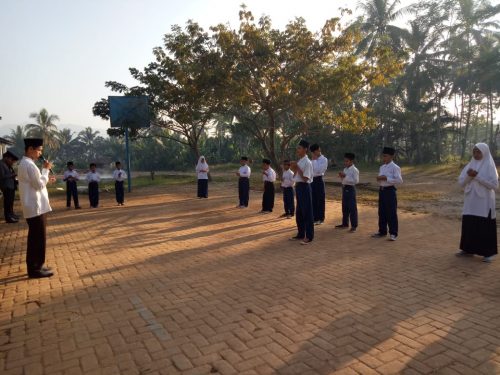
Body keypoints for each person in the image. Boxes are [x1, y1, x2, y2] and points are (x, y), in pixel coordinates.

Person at [18, 138, 55, 278]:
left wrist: (45, 178)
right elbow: (38, 185)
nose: (40, 153)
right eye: (39, 150)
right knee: (37, 239)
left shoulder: (26, 163)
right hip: (35, 207)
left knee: (36, 238)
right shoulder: (29, 165)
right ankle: (35, 269)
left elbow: (36, 184)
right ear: (30, 149)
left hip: (34, 206)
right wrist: (45, 170)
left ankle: (37, 265)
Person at [457, 143, 498, 262]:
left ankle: (488, 253)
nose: (476, 154)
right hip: (471, 201)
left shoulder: (490, 166)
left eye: (478, 152)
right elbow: (460, 183)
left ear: (484, 152)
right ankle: (467, 249)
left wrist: (477, 177)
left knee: (484, 227)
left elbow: (494, 186)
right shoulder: (470, 165)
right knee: (469, 224)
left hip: (484, 203)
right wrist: (469, 177)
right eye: (474, 152)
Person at [372, 147, 403, 241]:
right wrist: (379, 179)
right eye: (383, 156)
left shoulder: (395, 167)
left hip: (390, 191)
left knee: (391, 213)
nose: (383, 158)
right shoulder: (382, 167)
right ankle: (382, 231)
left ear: (391, 156)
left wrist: (386, 179)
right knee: (382, 212)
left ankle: (393, 233)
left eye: (385, 156)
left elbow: (399, 180)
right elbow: (381, 178)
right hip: (382, 191)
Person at [290, 140, 314, 245]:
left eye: (299, 148)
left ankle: (309, 236)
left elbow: (305, 178)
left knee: (307, 212)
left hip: (305, 187)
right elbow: (296, 176)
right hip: (299, 187)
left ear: (305, 149)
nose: (298, 150)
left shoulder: (307, 162)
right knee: (299, 212)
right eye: (297, 148)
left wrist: (297, 168)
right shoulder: (300, 161)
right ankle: (300, 233)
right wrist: (293, 168)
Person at [336, 153, 359, 232]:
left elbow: (355, 181)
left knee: (352, 208)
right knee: (345, 207)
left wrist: (345, 176)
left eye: (347, 161)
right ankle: (345, 223)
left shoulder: (354, 170)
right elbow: (344, 180)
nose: (345, 163)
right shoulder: (345, 169)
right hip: (345, 188)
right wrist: (342, 176)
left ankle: (354, 226)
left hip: (351, 189)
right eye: (345, 161)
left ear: (351, 161)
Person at [310, 144, 328, 225]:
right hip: (312, 181)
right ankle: (315, 218)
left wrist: (314, 160)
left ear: (318, 150)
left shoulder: (324, 159)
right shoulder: (312, 160)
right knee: (313, 199)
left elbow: (318, 171)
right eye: (313, 153)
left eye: (314, 152)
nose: (313, 154)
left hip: (319, 180)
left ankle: (321, 218)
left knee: (320, 200)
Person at [0, 150, 20, 223]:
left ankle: (11, 215)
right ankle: (8, 218)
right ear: (6, 158)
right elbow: (2, 176)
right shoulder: (1, 164)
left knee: (10, 202)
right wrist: (13, 175)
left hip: (11, 186)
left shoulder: (7, 165)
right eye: (11, 160)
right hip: (6, 186)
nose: (12, 162)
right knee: (7, 203)